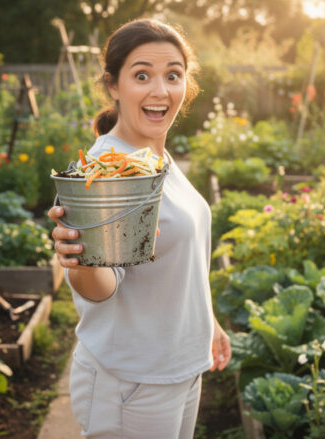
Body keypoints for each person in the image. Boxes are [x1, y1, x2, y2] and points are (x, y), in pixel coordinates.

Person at [48, 18, 232, 439]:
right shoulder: (107, 173)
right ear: (113, 86)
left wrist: (207, 322)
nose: (160, 90)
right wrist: (81, 260)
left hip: (177, 369)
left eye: (173, 75)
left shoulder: (151, 158)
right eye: (142, 75)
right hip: (133, 383)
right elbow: (101, 288)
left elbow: (178, 259)